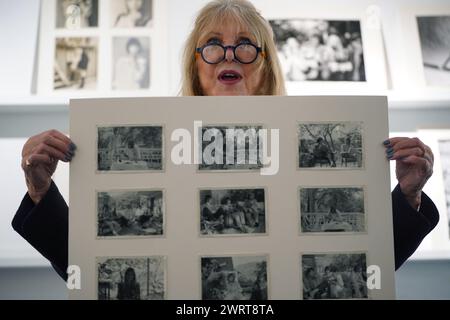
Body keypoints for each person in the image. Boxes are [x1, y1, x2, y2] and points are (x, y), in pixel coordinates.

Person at [14, 0, 439, 282]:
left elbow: (359, 266)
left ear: (265, 65)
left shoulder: (305, 146)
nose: (230, 55)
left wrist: (409, 196)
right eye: (213, 45)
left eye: (245, 46)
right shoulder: (155, 145)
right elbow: (88, 266)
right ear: (195, 64)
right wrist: (39, 190)